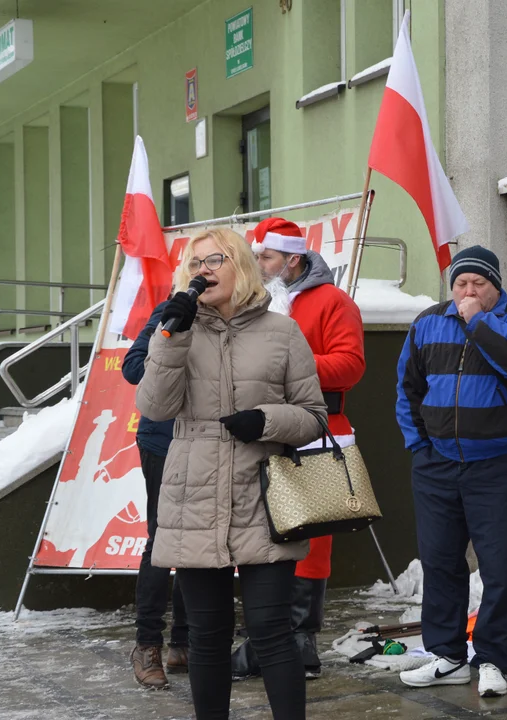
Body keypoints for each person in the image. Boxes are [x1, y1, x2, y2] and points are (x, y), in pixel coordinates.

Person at [136, 227, 327, 720]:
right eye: (195, 262)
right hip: (194, 495)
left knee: (271, 632)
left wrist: (266, 420)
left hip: (262, 496)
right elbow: (154, 406)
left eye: (215, 259)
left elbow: (313, 416)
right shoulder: (175, 327)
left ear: (240, 264)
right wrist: (170, 337)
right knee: (207, 636)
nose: (204, 269)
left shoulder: (282, 332)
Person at [394, 245, 507, 698]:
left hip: (501, 466)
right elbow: (407, 388)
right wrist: (420, 447)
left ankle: (495, 658)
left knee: (504, 566)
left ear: (496, 286)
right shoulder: (427, 323)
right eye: (461, 283)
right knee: (440, 562)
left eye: (478, 283)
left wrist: (478, 319)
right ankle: (448, 656)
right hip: (437, 465)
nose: (468, 290)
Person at [229, 218, 366, 681]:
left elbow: (350, 366)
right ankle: (267, 640)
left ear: (292, 259)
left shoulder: (333, 301)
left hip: (315, 429)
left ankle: (300, 642)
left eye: (265, 257)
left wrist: (290, 364)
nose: (258, 265)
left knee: (310, 540)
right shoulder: (251, 304)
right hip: (260, 431)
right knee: (257, 535)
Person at [122, 298, 189, 689]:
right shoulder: (172, 309)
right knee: (162, 540)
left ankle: (184, 642)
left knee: (200, 541)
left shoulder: (238, 316)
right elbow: (133, 368)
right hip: (162, 442)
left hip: (213, 443)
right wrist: (171, 336)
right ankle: (147, 645)